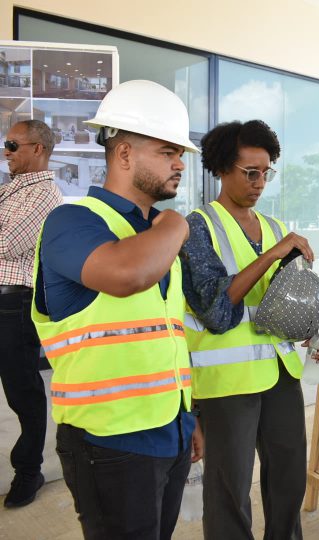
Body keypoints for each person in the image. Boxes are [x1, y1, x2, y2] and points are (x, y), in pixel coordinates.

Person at [31, 80, 203, 539]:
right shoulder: (72, 221)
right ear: (124, 154)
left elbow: (168, 334)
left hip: (171, 428)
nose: (180, 163)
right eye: (168, 151)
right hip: (109, 442)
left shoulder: (156, 234)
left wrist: (189, 417)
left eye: (180, 153)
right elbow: (126, 275)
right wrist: (176, 224)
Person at [180, 119, 319, 540]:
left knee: (288, 479)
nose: (260, 181)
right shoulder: (197, 228)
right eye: (251, 172)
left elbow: (296, 298)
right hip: (226, 382)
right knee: (230, 488)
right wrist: (272, 255)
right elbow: (215, 308)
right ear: (221, 168)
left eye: (266, 171)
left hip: (281, 373)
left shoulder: (273, 228)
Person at [0, 120, 62, 508]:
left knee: (23, 392)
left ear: (37, 148)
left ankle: (28, 471)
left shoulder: (43, 195)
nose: (5, 151)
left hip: (13, 304)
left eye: (12, 144)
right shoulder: (11, 190)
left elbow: (7, 244)